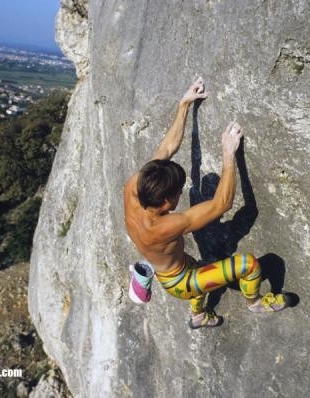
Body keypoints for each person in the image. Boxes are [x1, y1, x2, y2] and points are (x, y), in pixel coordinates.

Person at [123, 77, 290, 329]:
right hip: (181, 282)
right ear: (167, 201)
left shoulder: (136, 186)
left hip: (174, 269)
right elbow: (222, 204)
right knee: (248, 264)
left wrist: (184, 105)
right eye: (180, 192)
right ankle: (255, 303)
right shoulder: (163, 226)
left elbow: (167, 149)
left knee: (200, 272)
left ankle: (198, 316)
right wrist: (228, 153)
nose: (184, 193)